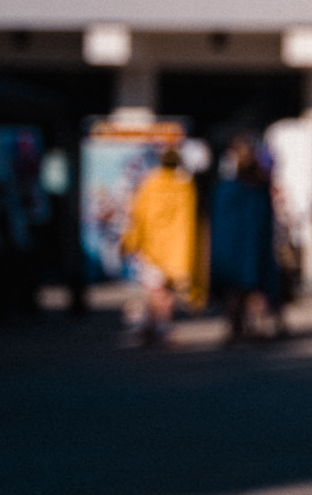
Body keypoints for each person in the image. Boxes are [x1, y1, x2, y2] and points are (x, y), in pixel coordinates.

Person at [120, 146, 197, 346]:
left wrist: (131, 242)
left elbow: (138, 215)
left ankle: (156, 327)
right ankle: (161, 327)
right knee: (167, 291)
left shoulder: (150, 184)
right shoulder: (185, 187)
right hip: (177, 249)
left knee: (155, 290)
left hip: (152, 248)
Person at [209, 135, 281, 344]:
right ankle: (259, 326)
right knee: (257, 287)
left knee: (233, 290)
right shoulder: (260, 188)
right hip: (256, 245)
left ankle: (235, 328)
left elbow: (216, 220)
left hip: (230, 247)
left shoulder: (225, 189)